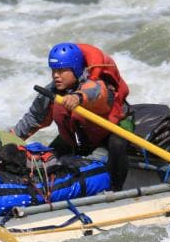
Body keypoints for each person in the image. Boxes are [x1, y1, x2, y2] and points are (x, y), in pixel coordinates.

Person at [12, 42, 130, 191]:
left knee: (117, 143)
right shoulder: (51, 92)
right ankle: (51, 190)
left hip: (114, 128)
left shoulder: (95, 84)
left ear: (75, 69)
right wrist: (10, 139)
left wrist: (78, 98)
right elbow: (33, 120)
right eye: (54, 70)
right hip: (80, 134)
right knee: (49, 158)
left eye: (61, 70)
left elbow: (96, 93)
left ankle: (116, 188)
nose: (56, 75)